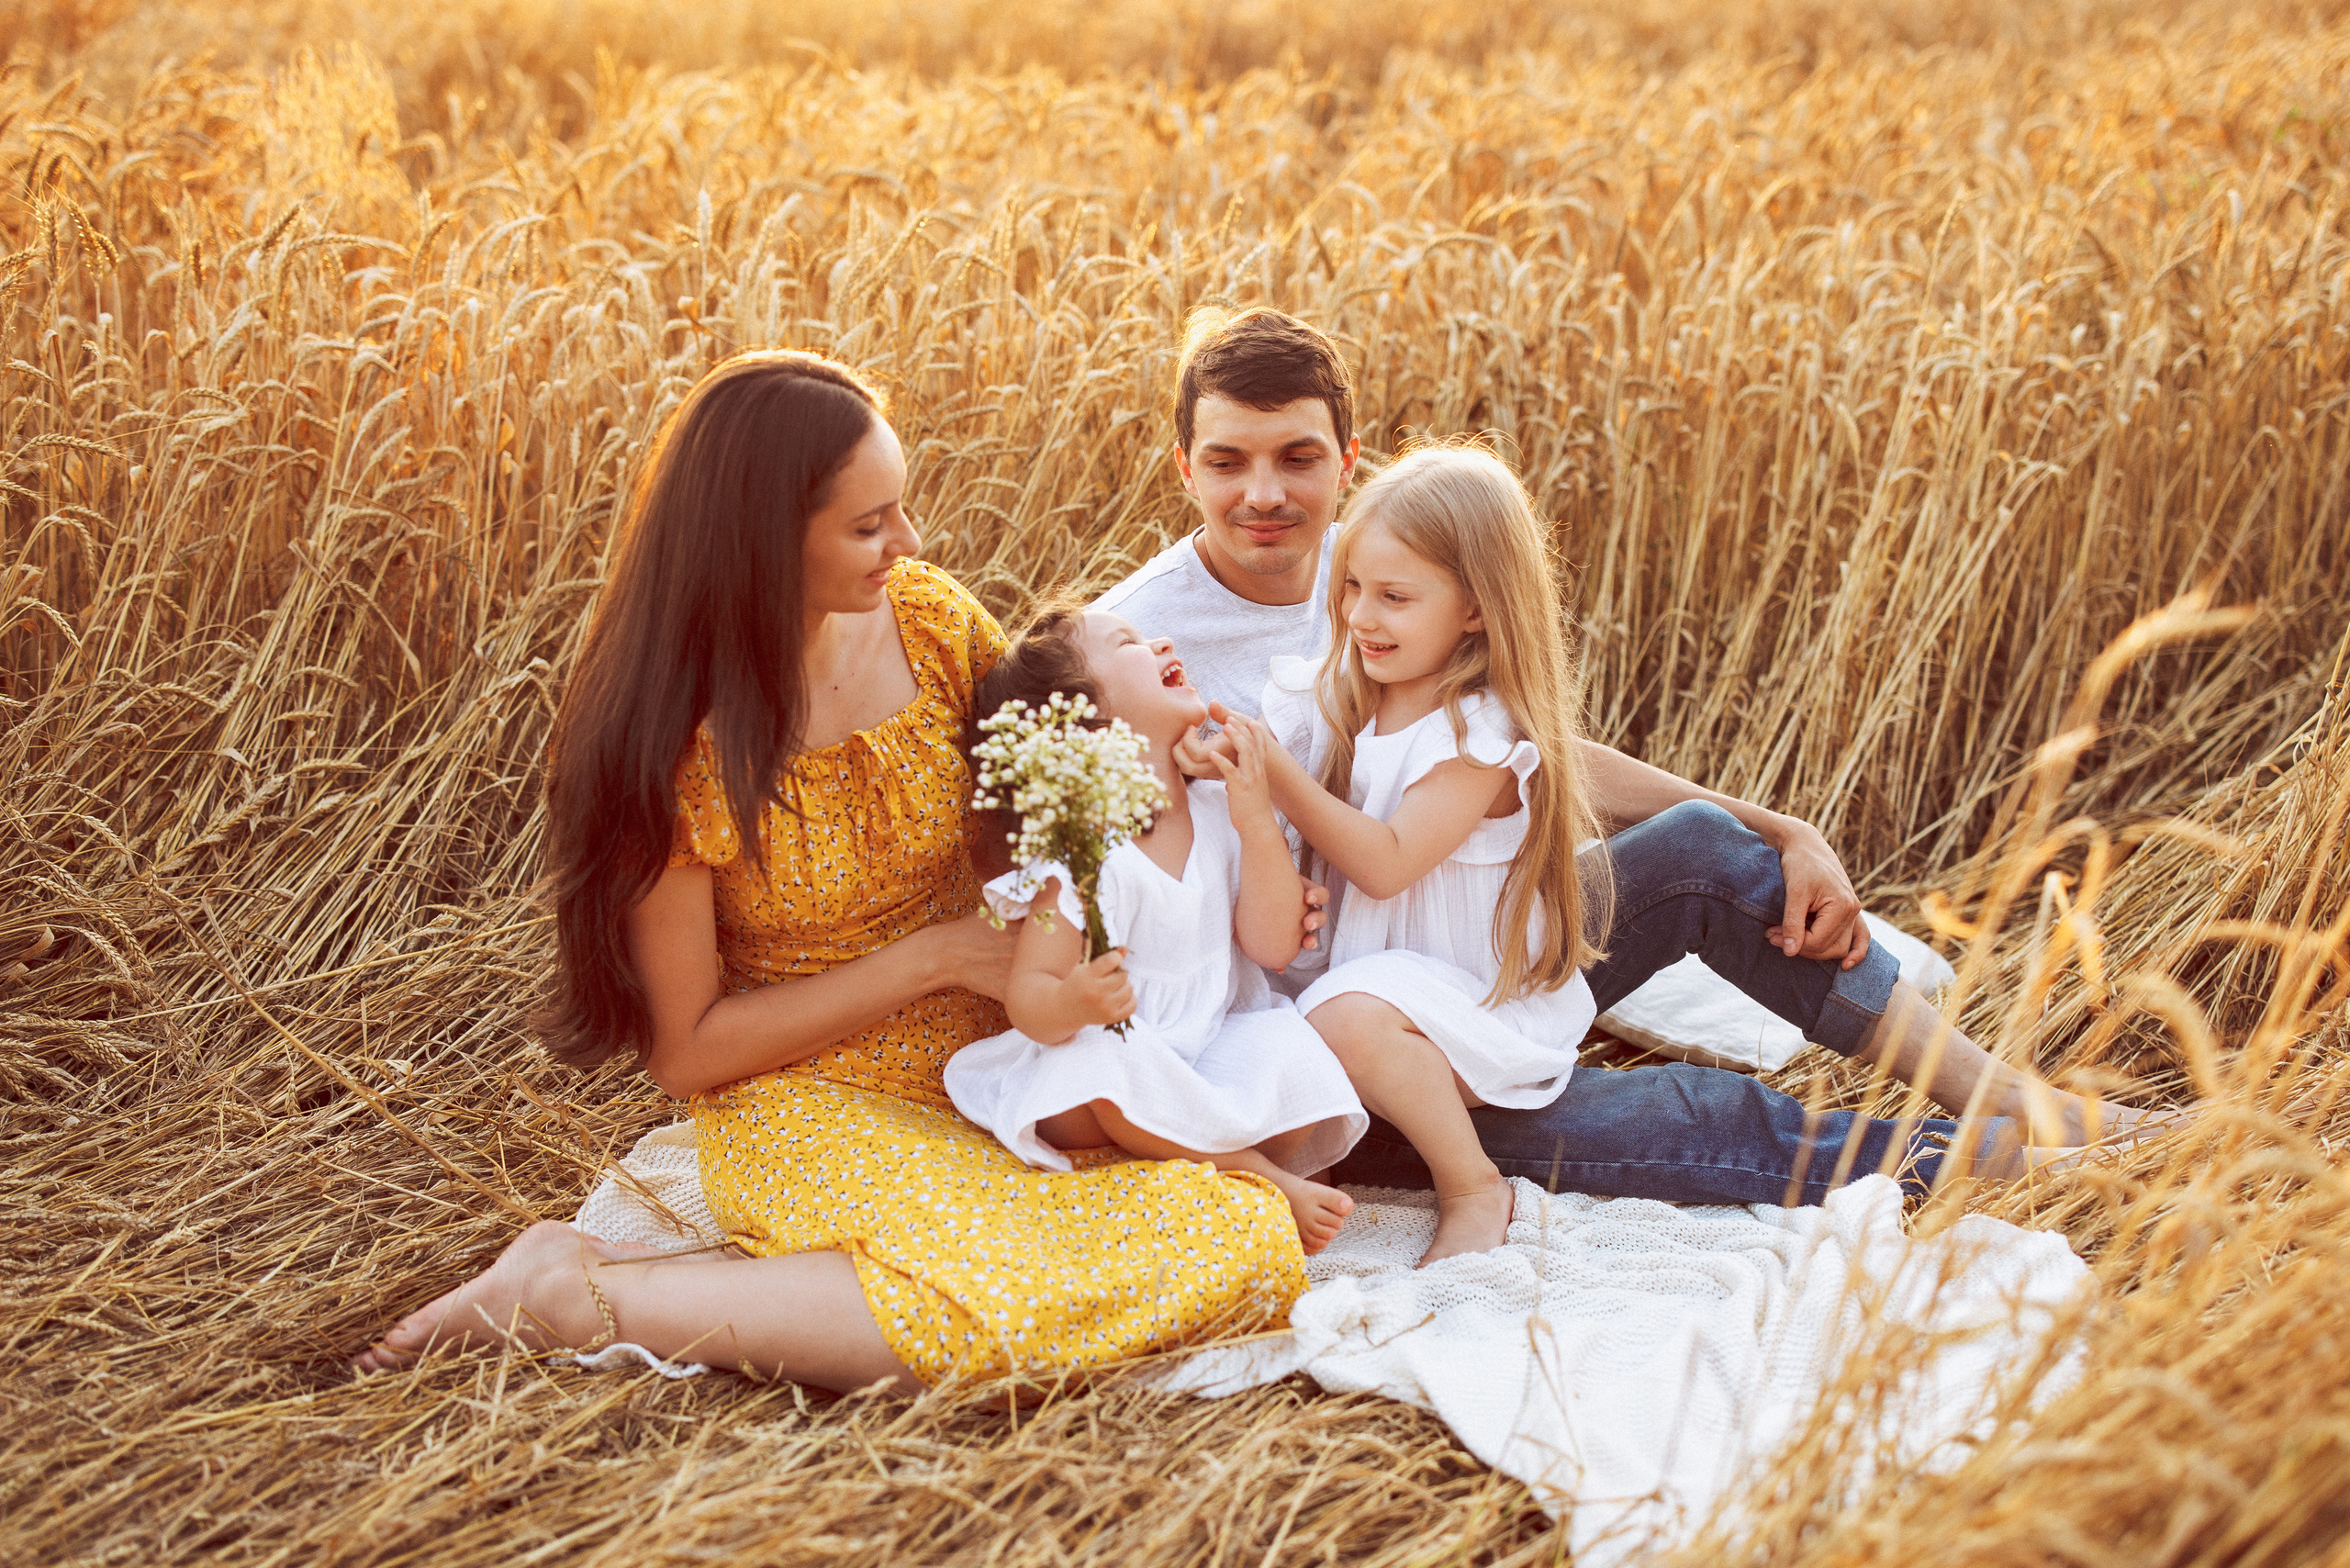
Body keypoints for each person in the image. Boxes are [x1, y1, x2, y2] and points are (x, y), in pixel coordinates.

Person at [355, 352, 1308, 1390]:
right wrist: (936, 956)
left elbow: (1056, 798)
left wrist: (1197, 810)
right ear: (761, 546)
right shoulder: (672, 745)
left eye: (898, 509)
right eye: (868, 526)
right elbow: (685, 1052)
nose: (908, 543)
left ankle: (707, 1286)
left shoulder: (932, 621)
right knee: (994, 1318)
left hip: (998, 1064)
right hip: (809, 1093)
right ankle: (567, 1292)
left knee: (1245, 1238)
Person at [1102, 304, 2160, 1209]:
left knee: (1704, 849)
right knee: (1693, 1113)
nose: (1264, 497)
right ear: (1182, 465)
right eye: (1228, 462)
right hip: (1350, 1047)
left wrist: (1780, 828)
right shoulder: (1133, 650)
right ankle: (1986, 1160)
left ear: (1348, 458)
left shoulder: (1377, 559)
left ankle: (2003, 1092)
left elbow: (1517, 742)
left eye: (1296, 458)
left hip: (1466, 953)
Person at [941, 608, 1364, 1252]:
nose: (1162, 640)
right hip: (1104, 1070)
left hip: (1202, 1045)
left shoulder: (1219, 810)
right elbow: (1029, 992)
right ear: (1083, 719)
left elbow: (1272, 945)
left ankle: (1199, 1159)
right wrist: (1074, 1000)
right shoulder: (1082, 852)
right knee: (1105, 1062)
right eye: (1128, 643)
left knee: (1292, 1051)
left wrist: (1254, 814)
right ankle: (1257, 1177)